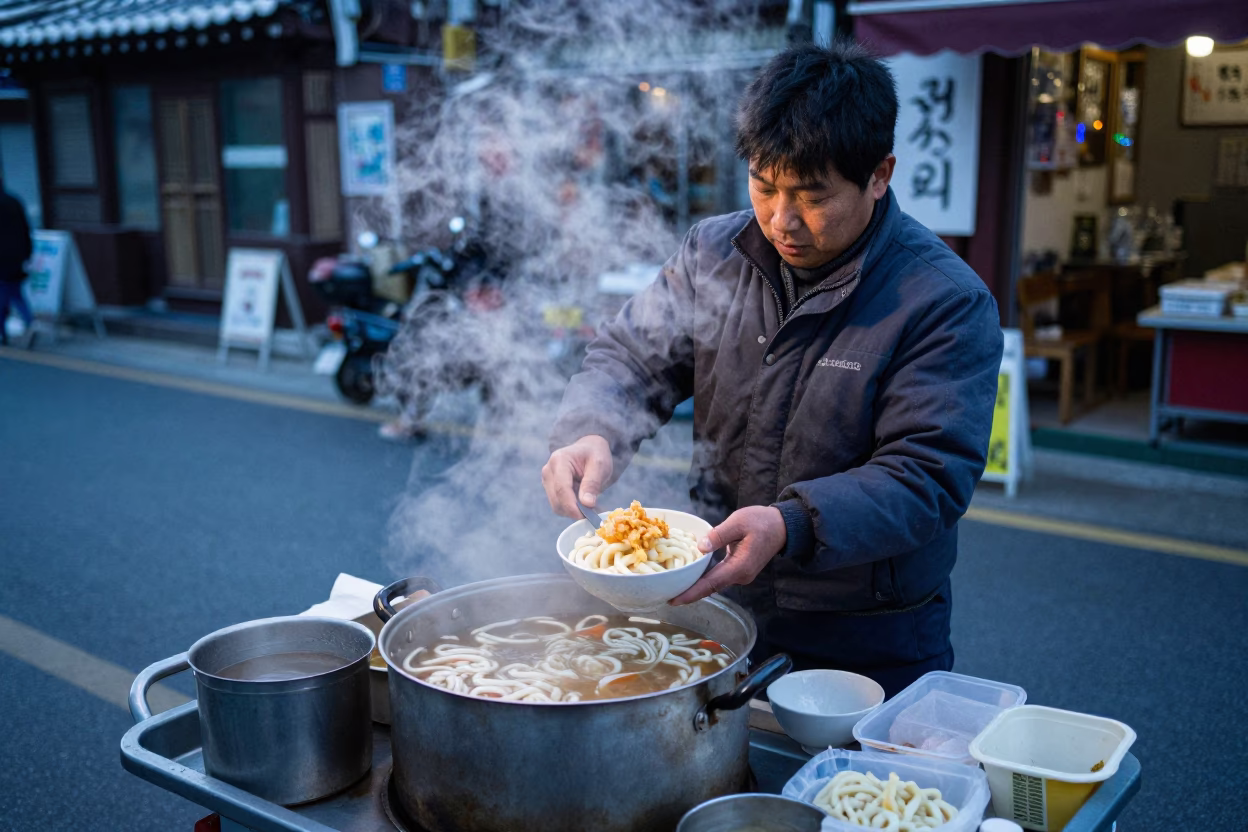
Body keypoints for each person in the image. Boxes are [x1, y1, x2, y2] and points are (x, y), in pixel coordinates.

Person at [541, 40, 1004, 698]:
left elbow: (928, 475)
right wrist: (590, 429)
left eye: (812, 197)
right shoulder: (712, 252)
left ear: (879, 174)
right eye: (764, 185)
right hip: (709, 601)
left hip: (865, 635)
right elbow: (632, 355)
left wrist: (792, 523)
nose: (783, 219)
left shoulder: (941, 301)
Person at [0, 178, 34, 347]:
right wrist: (28, 253)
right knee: (14, 292)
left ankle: (4, 331)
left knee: (5, 294)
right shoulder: (14, 202)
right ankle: (29, 323)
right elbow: (25, 229)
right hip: (17, 256)